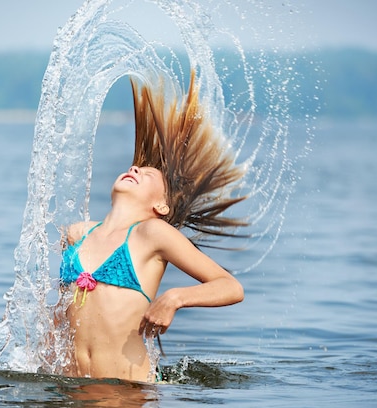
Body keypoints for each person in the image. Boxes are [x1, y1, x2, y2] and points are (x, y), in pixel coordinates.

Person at [58, 71, 246, 383]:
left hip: (128, 397)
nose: (134, 168)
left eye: (146, 174)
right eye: (135, 167)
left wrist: (175, 298)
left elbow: (231, 287)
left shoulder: (152, 234)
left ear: (161, 206)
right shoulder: (77, 234)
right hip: (71, 395)